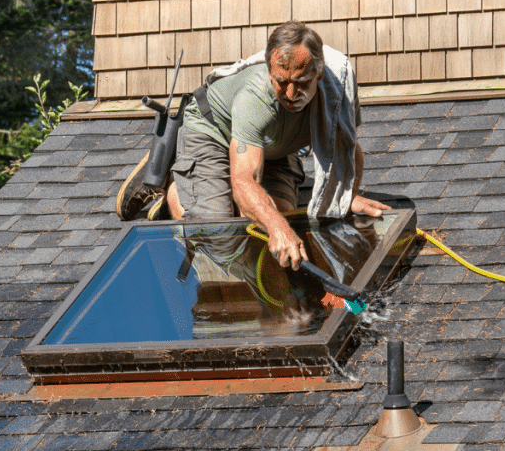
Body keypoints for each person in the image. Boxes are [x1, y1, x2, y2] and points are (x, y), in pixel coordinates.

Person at [117, 21, 389, 270]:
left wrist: (344, 195)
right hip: (213, 133)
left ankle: (194, 188)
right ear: (270, 72)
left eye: (301, 82)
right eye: (281, 83)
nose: (291, 94)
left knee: (281, 219)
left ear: (318, 74)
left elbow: (347, 147)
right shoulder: (256, 96)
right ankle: (175, 184)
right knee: (219, 235)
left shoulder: (337, 90)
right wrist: (276, 227)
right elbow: (245, 180)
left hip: (273, 145)